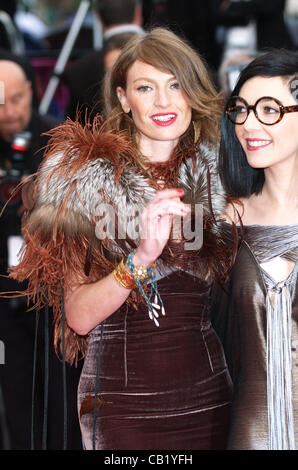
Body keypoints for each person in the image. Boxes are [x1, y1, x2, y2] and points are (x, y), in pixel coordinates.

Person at [9, 28, 235, 450]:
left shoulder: (221, 173)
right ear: (124, 98)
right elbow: (77, 316)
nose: (164, 101)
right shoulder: (84, 184)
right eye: (146, 87)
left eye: (176, 85)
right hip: (120, 402)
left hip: (208, 394)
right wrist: (142, 256)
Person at [212, 49, 298, 450]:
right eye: (241, 110)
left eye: (269, 110)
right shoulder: (228, 220)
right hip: (250, 428)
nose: (248, 124)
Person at [0, 59, 83, 450]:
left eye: (17, 99)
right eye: (0, 103)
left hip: (51, 293)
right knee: (15, 393)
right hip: (3, 295)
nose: (11, 111)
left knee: (60, 397)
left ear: (32, 90)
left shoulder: (58, 141)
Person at [62, 0, 144, 121]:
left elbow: (73, 126)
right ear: (138, 12)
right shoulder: (166, 56)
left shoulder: (77, 70)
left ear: (98, 18)